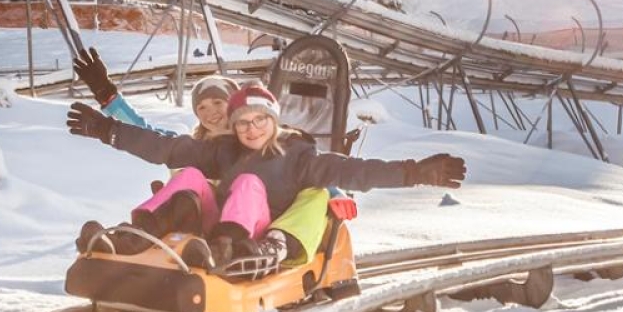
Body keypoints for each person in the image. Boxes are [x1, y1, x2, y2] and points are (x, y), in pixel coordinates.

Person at [68, 81, 466, 275]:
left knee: (247, 183)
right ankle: (136, 237)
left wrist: (416, 172)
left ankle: (226, 251)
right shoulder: (223, 150)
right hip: (215, 232)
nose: (251, 128)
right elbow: (165, 147)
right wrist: (107, 130)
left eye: (260, 120)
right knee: (188, 172)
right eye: (243, 122)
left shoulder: (298, 157)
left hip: (253, 238)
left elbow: (357, 171)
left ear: (273, 122)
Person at [72, 44, 235, 138]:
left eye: (217, 102)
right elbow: (146, 136)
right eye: (202, 107)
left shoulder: (249, 145)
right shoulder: (193, 149)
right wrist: (106, 93)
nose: (210, 112)